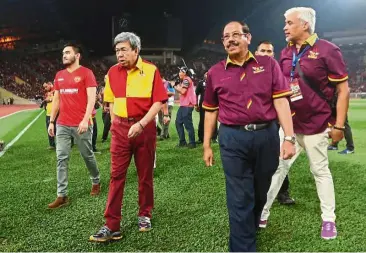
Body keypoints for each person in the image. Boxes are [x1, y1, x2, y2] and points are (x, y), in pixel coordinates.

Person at [202, 21, 296, 252]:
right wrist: (206, 144)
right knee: (239, 195)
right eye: (226, 36)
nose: (230, 39)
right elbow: (211, 110)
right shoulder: (215, 72)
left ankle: (251, 224)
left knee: (260, 189)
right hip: (232, 138)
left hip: (267, 136)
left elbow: (281, 100)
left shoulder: (269, 64)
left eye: (236, 34)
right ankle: (243, 247)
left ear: (248, 37)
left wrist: (289, 137)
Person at [260, 7, 350, 241]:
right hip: (290, 125)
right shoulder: (285, 52)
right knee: (277, 169)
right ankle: (263, 211)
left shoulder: (328, 50)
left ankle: (329, 220)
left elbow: (343, 89)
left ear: (305, 25)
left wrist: (339, 126)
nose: (285, 27)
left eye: (289, 23)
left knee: (320, 172)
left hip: (317, 126)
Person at [89, 32, 170, 243]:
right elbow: (112, 101)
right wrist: (117, 123)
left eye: (124, 49)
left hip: (145, 128)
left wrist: (141, 124)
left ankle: (145, 214)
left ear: (136, 50)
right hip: (121, 130)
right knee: (116, 177)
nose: (119, 54)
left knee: (145, 176)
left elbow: (158, 102)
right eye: (117, 50)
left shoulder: (151, 70)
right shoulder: (112, 72)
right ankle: (111, 225)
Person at [47, 42, 101, 209]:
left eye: (68, 52)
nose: (64, 55)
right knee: (61, 158)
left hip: (81, 124)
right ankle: (62, 195)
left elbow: (92, 98)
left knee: (87, 155)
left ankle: (96, 180)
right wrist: (52, 121)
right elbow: (56, 99)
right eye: (63, 52)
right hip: (62, 124)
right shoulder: (59, 75)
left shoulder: (87, 73)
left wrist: (85, 119)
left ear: (77, 56)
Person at [255, 40, 295, 205]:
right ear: (256, 53)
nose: (265, 54)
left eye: (269, 51)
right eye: (262, 51)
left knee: (280, 159)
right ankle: (258, 192)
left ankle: (282, 192)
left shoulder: (280, 73)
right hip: (256, 124)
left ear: (274, 55)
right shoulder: (249, 73)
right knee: (256, 161)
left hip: (275, 124)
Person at [173, 67, 197, 148]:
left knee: (188, 124)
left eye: (180, 72)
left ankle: (192, 143)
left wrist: (175, 87)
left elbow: (183, 91)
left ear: (185, 73)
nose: (179, 73)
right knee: (178, 122)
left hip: (187, 105)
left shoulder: (186, 80)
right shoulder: (186, 80)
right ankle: (182, 142)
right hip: (184, 105)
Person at [195, 72, 218, 144]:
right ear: (204, 75)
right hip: (203, 105)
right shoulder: (201, 83)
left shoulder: (215, 82)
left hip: (213, 105)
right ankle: (201, 138)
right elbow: (196, 94)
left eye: (208, 73)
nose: (207, 75)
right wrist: (196, 104)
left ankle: (214, 137)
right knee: (202, 121)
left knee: (214, 121)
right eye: (206, 73)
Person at [43, 82, 56, 150]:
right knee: (49, 129)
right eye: (44, 87)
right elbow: (46, 100)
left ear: (50, 85)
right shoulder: (47, 93)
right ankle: (52, 145)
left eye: (46, 86)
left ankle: (69, 141)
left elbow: (56, 99)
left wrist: (49, 99)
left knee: (59, 129)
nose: (45, 88)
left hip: (56, 113)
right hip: (48, 113)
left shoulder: (55, 90)